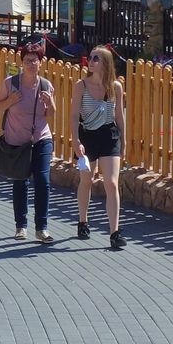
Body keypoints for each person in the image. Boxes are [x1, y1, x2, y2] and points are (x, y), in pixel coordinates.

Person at [0, 37, 57, 242]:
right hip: (17, 141)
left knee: (43, 181)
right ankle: (21, 226)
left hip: (41, 138)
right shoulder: (11, 83)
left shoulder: (46, 85)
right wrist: (9, 101)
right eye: (27, 60)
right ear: (22, 62)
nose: (31, 63)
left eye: (34, 60)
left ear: (40, 63)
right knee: (20, 181)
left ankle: (42, 228)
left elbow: (51, 115)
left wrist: (50, 103)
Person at [72, 45, 128, 249]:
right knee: (87, 180)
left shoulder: (116, 87)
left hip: (109, 135)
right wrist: (76, 140)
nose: (91, 61)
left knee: (111, 183)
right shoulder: (81, 85)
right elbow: (73, 116)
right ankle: (83, 221)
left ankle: (114, 232)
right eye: (90, 57)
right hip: (87, 135)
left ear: (106, 63)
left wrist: (123, 141)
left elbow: (119, 115)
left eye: (96, 58)